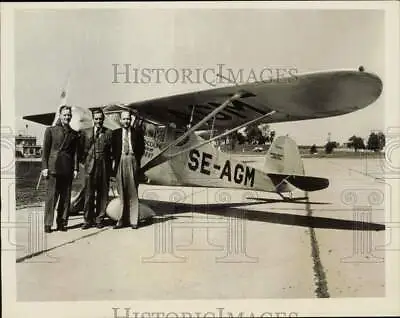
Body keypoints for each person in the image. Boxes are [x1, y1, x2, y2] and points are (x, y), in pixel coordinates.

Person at [41, 105, 79, 233]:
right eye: (65, 115)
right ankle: (48, 224)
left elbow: (75, 153)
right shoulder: (50, 130)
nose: (67, 117)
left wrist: (76, 169)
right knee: (51, 197)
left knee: (65, 198)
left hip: (67, 168)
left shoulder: (74, 133)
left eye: (69, 115)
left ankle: (62, 222)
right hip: (53, 168)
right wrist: (44, 167)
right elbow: (45, 151)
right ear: (60, 115)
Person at [111, 110, 147, 229]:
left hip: (132, 160)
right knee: (121, 191)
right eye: (124, 119)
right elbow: (113, 150)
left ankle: (134, 221)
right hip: (120, 160)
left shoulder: (137, 133)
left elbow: (141, 149)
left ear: (130, 120)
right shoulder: (115, 133)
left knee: (133, 191)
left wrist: (135, 160)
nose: (126, 121)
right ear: (120, 120)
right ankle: (121, 220)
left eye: (128, 119)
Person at [79, 109, 113, 229]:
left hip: (103, 167)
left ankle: (99, 219)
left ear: (103, 119)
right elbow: (81, 150)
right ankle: (87, 220)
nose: (98, 121)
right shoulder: (85, 132)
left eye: (100, 119)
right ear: (93, 119)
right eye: (96, 119)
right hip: (90, 167)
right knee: (88, 195)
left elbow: (111, 152)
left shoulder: (109, 133)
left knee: (102, 194)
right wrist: (85, 163)